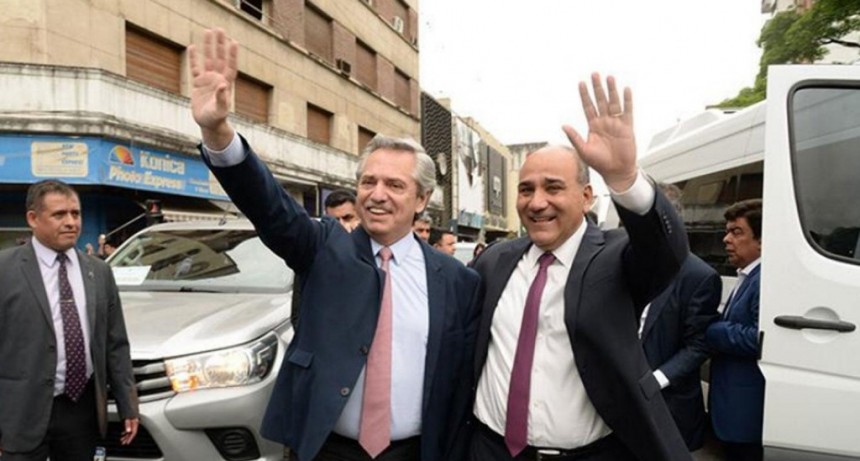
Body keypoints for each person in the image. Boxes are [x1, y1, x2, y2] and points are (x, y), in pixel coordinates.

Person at [188, 28, 482, 461]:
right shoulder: (323, 247)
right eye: (368, 181)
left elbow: (461, 379)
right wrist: (218, 133)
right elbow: (270, 207)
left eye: (394, 185)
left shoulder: (457, 280)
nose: (377, 194)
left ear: (422, 200)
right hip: (328, 449)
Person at [469, 73, 691, 461]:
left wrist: (624, 179)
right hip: (488, 450)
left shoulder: (617, 258)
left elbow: (664, 252)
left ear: (586, 196)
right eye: (526, 189)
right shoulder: (494, 260)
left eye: (553, 187)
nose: (537, 202)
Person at [0, 180, 139, 461]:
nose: (70, 222)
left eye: (75, 213)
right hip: (20, 411)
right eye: (59, 214)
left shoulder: (99, 272)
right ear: (33, 219)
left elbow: (115, 345)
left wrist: (128, 405)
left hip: (81, 410)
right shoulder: (5, 269)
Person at [639, 183, 722, 452]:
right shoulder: (622, 262)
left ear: (670, 220)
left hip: (669, 405)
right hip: (621, 403)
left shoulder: (699, 276)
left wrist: (657, 380)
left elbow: (698, 344)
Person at [705, 199, 764, 461]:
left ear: (761, 240)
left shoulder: (764, 279)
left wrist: (712, 328)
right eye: (727, 231)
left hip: (745, 414)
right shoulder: (747, 276)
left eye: (737, 232)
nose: (726, 239)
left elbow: (759, 338)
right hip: (731, 409)